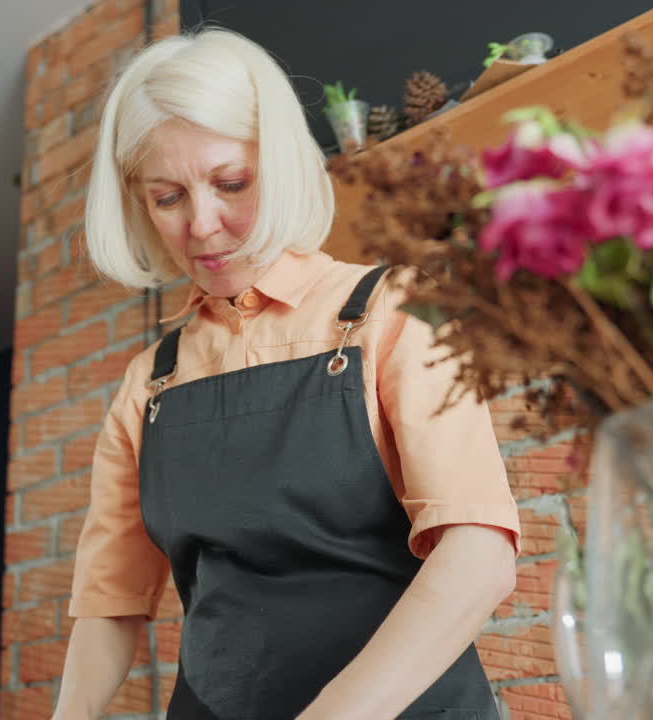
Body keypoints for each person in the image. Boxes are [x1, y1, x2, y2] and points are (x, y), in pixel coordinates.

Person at [57, 28, 521, 720]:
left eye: (231, 183)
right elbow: (109, 607)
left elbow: (478, 555)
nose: (204, 225)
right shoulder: (148, 384)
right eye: (167, 197)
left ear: (281, 165)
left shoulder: (394, 309)